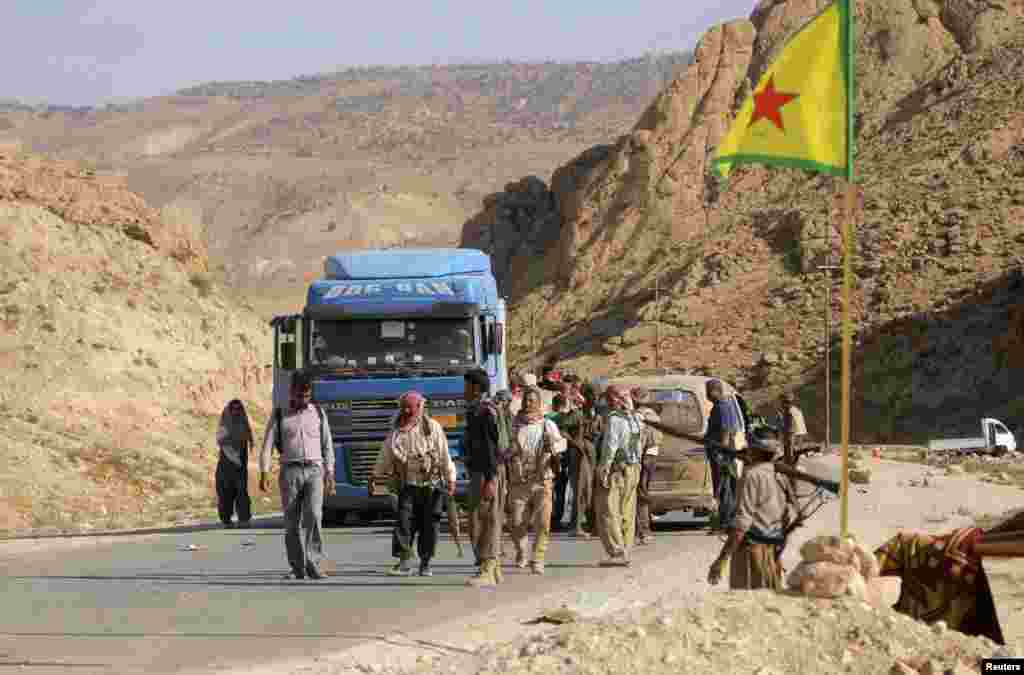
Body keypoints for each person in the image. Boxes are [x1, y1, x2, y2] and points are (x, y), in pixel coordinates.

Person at [369, 391, 455, 577]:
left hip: (431, 486)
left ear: (420, 408)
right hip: (407, 485)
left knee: (429, 524)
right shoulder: (395, 432)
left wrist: (450, 479)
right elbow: (386, 455)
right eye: (405, 407)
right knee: (404, 523)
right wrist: (374, 476)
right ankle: (404, 561)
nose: (407, 411)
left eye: (411, 407)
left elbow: (443, 454)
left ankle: (425, 563)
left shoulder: (432, 427)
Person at [259, 376, 335, 580]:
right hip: (290, 472)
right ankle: (297, 567)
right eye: (300, 395)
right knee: (292, 522)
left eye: (307, 395)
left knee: (314, 516)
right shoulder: (279, 414)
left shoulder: (318, 413)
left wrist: (330, 473)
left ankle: (314, 563)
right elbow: (267, 445)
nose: (304, 399)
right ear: (291, 392)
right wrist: (264, 472)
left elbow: (327, 445)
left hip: (314, 471)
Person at [707, 432, 795, 590]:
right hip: (771, 552)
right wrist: (777, 553)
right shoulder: (780, 475)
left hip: (751, 555)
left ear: (755, 452)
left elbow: (742, 524)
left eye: (749, 449)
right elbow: (787, 517)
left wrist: (721, 560)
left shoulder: (751, 476)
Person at [506, 387, 567, 574]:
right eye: (526, 400)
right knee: (516, 522)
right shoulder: (513, 425)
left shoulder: (547, 424)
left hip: (542, 480)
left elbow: (561, 444)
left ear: (539, 404)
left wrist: (552, 446)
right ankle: (521, 551)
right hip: (519, 480)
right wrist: (512, 454)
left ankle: (538, 558)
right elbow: (505, 449)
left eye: (532, 400)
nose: (528, 403)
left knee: (543, 522)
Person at [463, 369, 506, 586]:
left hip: (487, 472)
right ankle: (492, 566)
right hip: (480, 471)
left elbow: (490, 448)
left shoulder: (485, 412)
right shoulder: (476, 410)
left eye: (466, 386)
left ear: (476, 388)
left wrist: (490, 479)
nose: (464, 391)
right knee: (481, 519)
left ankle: (487, 567)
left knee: (483, 520)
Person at [594, 384, 643, 567]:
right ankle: (625, 550)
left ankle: (616, 552)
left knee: (608, 511)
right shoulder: (636, 418)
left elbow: (610, 445)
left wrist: (604, 467)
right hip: (633, 468)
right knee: (627, 511)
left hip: (616, 470)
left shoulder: (615, 419)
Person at [705, 379, 741, 533]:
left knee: (724, 487)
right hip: (722, 452)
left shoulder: (723, 407)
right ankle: (726, 520)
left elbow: (726, 431)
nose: (707, 395)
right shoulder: (724, 405)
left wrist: (721, 453)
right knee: (726, 487)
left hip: (722, 453)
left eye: (708, 391)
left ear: (714, 391)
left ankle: (726, 522)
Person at [567, 382, 601, 538]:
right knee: (580, 488)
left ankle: (591, 523)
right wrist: (576, 443)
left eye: (594, 395)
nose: (593, 398)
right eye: (589, 395)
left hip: (591, 452)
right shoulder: (576, 413)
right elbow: (563, 430)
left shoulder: (596, 414)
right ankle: (576, 526)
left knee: (590, 488)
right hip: (579, 453)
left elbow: (600, 432)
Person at [215, 399, 254, 529]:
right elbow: (222, 442)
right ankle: (226, 520)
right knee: (226, 492)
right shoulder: (225, 424)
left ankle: (244, 519)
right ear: (229, 410)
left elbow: (248, 435)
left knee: (242, 492)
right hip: (226, 466)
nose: (237, 412)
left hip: (241, 466)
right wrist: (234, 458)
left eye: (239, 409)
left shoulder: (243, 421)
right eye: (234, 409)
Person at [632, 388, 662, 546]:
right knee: (644, 492)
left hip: (642, 457)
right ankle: (644, 529)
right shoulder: (654, 415)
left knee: (640, 494)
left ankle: (643, 531)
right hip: (652, 456)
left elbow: (639, 440)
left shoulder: (638, 416)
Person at [547, 392, 572, 532]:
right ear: (563, 405)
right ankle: (556, 521)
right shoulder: (562, 419)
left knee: (549, 490)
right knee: (560, 490)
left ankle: (548, 518)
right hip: (560, 457)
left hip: (547, 458)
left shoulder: (546, 418)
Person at [780, 393, 808, 464]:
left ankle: (789, 465)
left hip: (792, 433)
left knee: (789, 451)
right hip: (801, 433)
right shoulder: (796, 410)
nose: (781, 405)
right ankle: (793, 463)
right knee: (795, 451)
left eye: (781, 402)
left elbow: (789, 426)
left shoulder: (788, 411)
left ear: (785, 402)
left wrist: (784, 434)